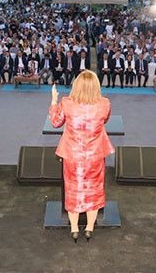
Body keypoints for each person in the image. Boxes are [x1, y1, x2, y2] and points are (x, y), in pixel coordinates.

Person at [49, 70, 114, 243]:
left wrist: (54, 100)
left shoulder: (67, 103)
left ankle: (75, 229)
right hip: (95, 156)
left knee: (73, 190)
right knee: (94, 190)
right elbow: (105, 120)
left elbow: (55, 122)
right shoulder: (105, 104)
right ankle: (90, 228)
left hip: (72, 156)